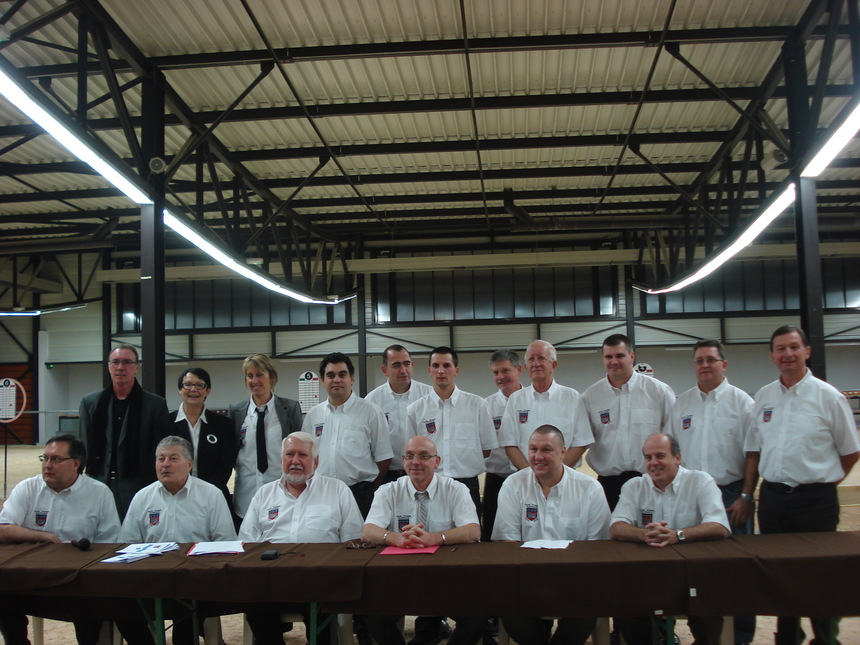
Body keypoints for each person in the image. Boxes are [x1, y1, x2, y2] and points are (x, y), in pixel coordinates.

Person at [749, 325, 860, 645]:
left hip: (816, 502)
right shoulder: (764, 396)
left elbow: (850, 452)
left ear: (806, 351)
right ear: (772, 355)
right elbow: (756, 448)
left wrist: (821, 484)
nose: (787, 354)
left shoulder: (829, 397)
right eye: (780, 349)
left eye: (794, 347)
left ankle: (826, 637)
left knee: (821, 575)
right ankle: (788, 635)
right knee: (781, 574)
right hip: (773, 499)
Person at [239, 432, 363, 645]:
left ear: (315, 461)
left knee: (325, 616)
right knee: (252, 599)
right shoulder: (263, 494)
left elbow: (353, 541)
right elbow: (247, 542)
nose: (295, 461)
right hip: (272, 580)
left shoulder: (337, 490)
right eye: (289, 454)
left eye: (302, 455)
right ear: (281, 460)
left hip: (321, 580)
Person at [671, 339, 757, 645]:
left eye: (710, 359)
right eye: (699, 361)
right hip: (692, 495)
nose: (704, 365)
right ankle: (705, 635)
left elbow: (752, 453)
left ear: (724, 364)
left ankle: (741, 637)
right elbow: (674, 454)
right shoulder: (681, 404)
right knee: (697, 569)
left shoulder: (743, 403)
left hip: (732, 493)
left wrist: (746, 495)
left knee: (738, 569)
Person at [492, 425, 610, 645]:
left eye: (546, 450)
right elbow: (508, 543)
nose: (538, 456)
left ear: (563, 452)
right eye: (533, 449)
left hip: (576, 579)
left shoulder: (590, 489)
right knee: (508, 604)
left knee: (590, 603)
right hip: (526, 577)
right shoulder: (513, 485)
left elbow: (598, 546)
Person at [610, 433, 730, 645]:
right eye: (648, 458)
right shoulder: (634, 486)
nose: (653, 463)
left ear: (678, 457)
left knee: (709, 613)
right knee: (626, 610)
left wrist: (678, 535)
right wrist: (645, 534)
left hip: (692, 574)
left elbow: (720, 526)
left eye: (660, 456)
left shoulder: (701, 481)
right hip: (647, 575)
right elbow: (616, 526)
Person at [362, 436, 483, 645]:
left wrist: (436, 538)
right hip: (399, 578)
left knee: (477, 617)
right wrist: (395, 538)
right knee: (372, 615)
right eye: (409, 456)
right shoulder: (388, 491)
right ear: (403, 460)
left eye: (423, 456)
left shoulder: (456, 490)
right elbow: (368, 531)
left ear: (437, 461)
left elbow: (473, 531)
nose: (415, 462)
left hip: (447, 578)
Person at [0, 434, 120, 645]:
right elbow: (3, 529)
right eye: (44, 458)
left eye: (56, 459)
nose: (47, 465)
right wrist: (43, 536)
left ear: (76, 464)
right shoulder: (28, 488)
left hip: (78, 581)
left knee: (94, 607)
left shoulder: (99, 493)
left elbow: (111, 544)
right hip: (32, 579)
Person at [118, 436, 236, 645]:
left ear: (189, 464)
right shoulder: (142, 497)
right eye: (160, 459)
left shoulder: (211, 495)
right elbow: (127, 544)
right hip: (150, 578)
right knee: (120, 608)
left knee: (187, 616)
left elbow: (226, 543)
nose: (165, 465)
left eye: (173, 458)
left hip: (197, 580)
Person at [582, 334, 675, 510]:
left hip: (652, 480)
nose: (614, 361)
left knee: (653, 533)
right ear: (603, 359)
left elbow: (675, 438)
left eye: (620, 355)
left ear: (632, 356)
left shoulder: (659, 391)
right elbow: (582, 440)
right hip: (608, 484)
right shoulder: (590, 397)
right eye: (609, 357)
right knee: (612, 535)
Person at [78, 344, 170, 518]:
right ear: (108, 366)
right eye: (116, 362)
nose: (120, 367)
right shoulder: (90, 403)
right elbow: (84, 446)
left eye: (127, 362)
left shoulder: (155, 405)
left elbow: (159, 450)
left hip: (138, 484)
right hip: (99, 481)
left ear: (136, 367)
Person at [405, 346, 497, 515]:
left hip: (467, 484)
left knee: (470, 538)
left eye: (447, 365)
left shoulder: (477, 405)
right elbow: (411, 453)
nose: (441, 371)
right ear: (429, 371)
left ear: (456, 370)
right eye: (436, 366)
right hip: (429, 484)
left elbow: (486, 448)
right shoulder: (415, 410)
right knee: (430, 535)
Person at [302, 352, 393, 517]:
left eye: (342, 374)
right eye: (330, 375)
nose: (336, 379)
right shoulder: (313, 415)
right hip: (321, 494)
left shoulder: (371, 412)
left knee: (360, 541)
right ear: (323, 380)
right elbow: (307, 457)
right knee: (324, 540)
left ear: (351, 378)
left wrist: (367, 488)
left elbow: (384, 459)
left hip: (359, 494)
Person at [229, 353, 303, 524]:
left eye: (260, 374)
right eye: (250, 376)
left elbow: (298, 451)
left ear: (272, 377)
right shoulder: (236, 411)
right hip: (245, 494)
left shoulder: (290, 408)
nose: (254, 380)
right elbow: (232, 451)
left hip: (282, 490)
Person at [498, 340, 593, 472]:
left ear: (553, 365)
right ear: (526, 367)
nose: (536, 363)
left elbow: (580, 443)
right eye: (531, 359)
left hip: (564, 478)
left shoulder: (572, 398)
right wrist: (531, 476)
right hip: (525, 479)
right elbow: (509, 444)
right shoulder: (516, 400)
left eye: (542, 358)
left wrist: (556, 473)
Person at [168, 367, 236, 511]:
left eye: (200, 385)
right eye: (187, 384)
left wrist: (205, 493)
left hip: (212, 498)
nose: (193, 389)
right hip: (174, 496)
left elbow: (225, 464)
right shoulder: (164, 424)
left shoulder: (222, 424)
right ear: (180, 390)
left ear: (208, 390)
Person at [366, 345, 433, 483]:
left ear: (412, 365)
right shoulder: (372, 401)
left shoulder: (429, 396)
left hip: (424, 472)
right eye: (396, 365)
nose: (403, 370)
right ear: (384, 370)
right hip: (388, 475)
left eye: (407, 364)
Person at [482, 349, 522, 541]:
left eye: (505, 371)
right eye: (496, 372)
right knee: (490, 532)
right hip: (496, 479)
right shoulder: (485, 406)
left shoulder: (532, 401)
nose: (500, 377)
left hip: (527, 478)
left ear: (518, 370)